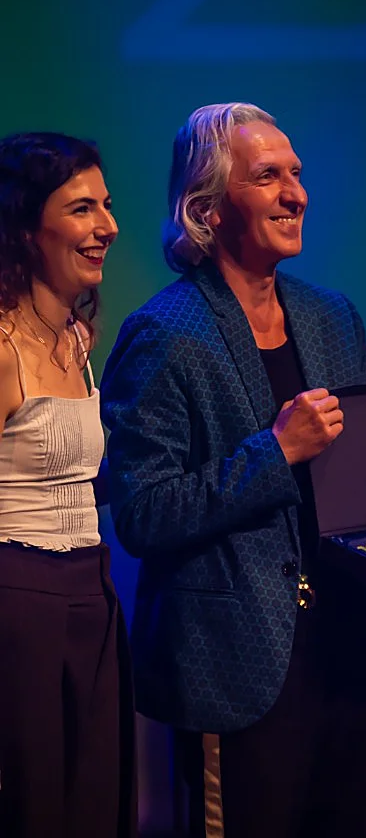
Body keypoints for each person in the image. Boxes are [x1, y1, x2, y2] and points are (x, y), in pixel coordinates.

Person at [100, 103, 366, 838]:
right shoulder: (164, 333)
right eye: (268, 177)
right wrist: (274, 451)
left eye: (297, 175)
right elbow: (143, 515)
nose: (295, 194)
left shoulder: (332, 317)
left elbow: (361, 503)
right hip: (234, 668)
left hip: (343, 656)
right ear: (206, 209)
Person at [0, 133, 135, 837]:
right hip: (19, 607)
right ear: (26, 227)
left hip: (93, 596)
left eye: (107, 207)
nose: (107, 227)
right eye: (83, 208)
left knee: (91, 803)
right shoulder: (1, 346)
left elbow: (78, 481)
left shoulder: (77, 340)